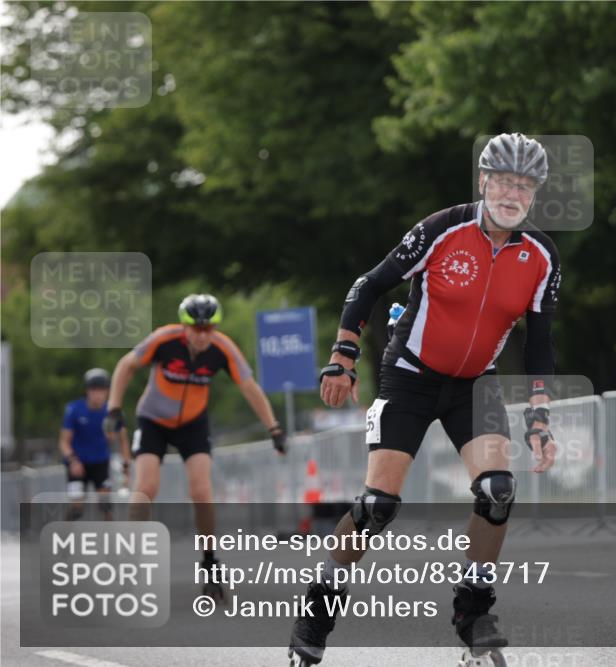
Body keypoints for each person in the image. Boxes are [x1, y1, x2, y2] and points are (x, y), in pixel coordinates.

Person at [289, 133, 561, 666]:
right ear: (484, 181)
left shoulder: (542, 256)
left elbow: (542, 343)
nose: (512, 193)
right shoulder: (442, 229)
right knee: (376, 507)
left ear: (535, 193)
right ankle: (318, 609)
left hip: (475, 385)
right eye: (503, 180)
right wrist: (343, 356)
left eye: (524, 185)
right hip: (410, 376)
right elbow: (368, 286)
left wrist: (539, 417)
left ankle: (474, 612)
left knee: (498, 490)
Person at [104, 294, 287, 591]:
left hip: (193, 424)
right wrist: (113, 407)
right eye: (196, 328)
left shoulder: (222, 348)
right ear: (184, 326)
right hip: (153, 419)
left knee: (202, 491)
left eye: (208, 329)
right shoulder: (164, 340)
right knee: (146, 486)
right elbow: (126, 365)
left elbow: (249, 388)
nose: (202, 335)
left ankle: (210, 561)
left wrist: (274, 427)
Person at [59, 368, 129, 520]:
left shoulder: (111, 412)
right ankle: (62, 537)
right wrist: (72, 461)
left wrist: (126, 467)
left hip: (100, 462)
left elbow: (122, 440)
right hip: (77, 463)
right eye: (94, 390)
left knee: (105, 505)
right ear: (87, 391)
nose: (97, 394)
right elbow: (64, 441)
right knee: (77, 508)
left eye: (101, 390)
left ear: (107, 391)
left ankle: (110, 540)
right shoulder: (74, 410)